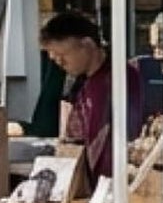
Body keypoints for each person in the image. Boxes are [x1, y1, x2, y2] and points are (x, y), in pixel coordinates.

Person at [39, 11, 144, 181]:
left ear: (87, 44)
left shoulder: (118, 78)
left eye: (62, 55)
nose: (59, 63)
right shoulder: (84, 83)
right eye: (54, 58)